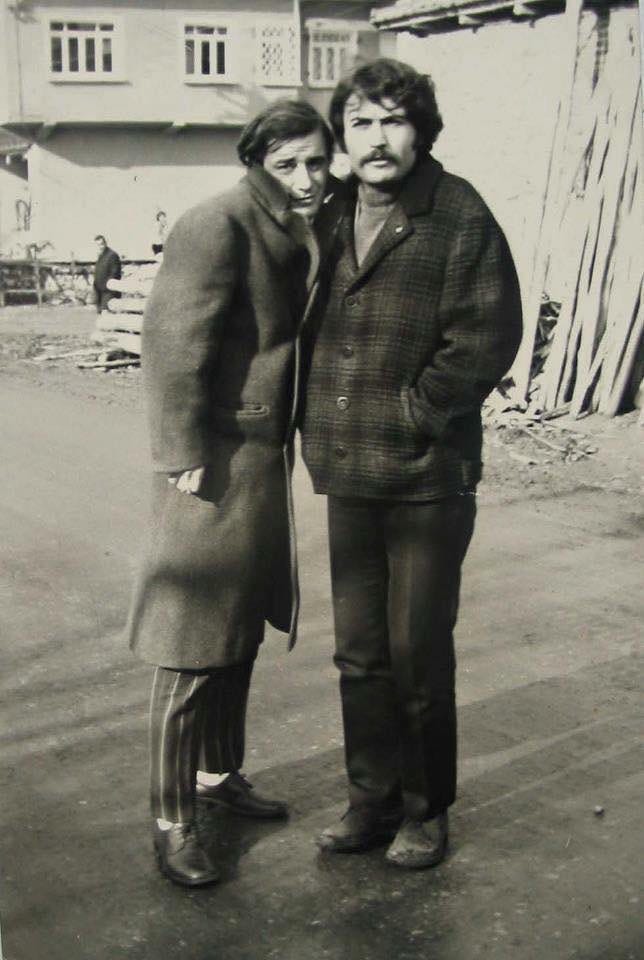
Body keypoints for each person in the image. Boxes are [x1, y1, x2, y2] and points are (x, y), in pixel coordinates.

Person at [300, 59, 523, 869]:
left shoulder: (458, 212)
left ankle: (426, 811)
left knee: (416, 651)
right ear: (342, 136)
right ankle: (371, 801)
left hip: (428, 476)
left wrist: (416, 413)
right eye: (360, 122)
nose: (377, 138)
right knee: (359, 653)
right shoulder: (329, 213)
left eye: (393, 119)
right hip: (347, 468)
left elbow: (487, 334)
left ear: (421, 130)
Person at [126, 100, 333, 888]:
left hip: (261, 460)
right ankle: (170, 818)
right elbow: (173, 342)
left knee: (238, 627)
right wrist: (181, 451)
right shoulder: (217, 223)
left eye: (317, 161)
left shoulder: (296, 224)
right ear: (255, 163)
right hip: (213, 460)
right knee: (190, 642)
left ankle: (217, 776)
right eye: (288, 164)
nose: (306, 178)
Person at [92, 235, 121, 313]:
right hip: (99, 292)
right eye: (98, 245)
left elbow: (114, 274)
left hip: (108, 292)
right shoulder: (100, 256)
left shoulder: (112, 255)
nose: (100, 247)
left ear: (105, 243)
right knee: (100, 315)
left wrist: (107, 287)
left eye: (102, 244)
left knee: (107, 315)